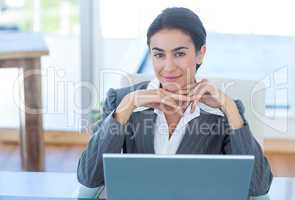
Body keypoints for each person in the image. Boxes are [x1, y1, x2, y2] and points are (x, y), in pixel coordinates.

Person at [77, 7, 273, 196]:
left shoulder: (225, 111)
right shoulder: (121, 101)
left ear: (200, 54)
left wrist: (230, 109)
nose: (168, 67)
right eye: (159, 54)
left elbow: (258, 186)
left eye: (179, 53)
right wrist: (127, 106)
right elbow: (89, 178)